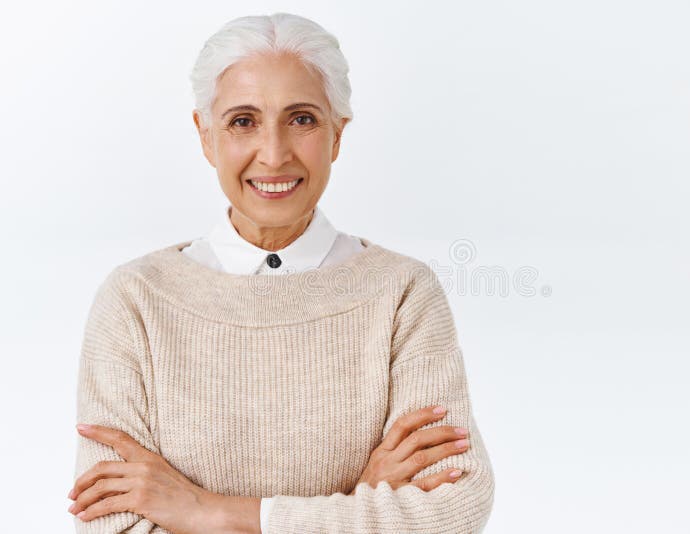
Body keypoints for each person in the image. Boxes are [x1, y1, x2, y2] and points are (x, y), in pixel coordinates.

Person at [67, 12, 495, 533]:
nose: (273, 155)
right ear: (206, 136)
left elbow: (451, 513)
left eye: (302, 119)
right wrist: (360, 499)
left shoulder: (402, 293)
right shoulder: (136, 300)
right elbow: (112, 528)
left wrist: (207, 512)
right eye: (243, 121)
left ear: (337, 135)